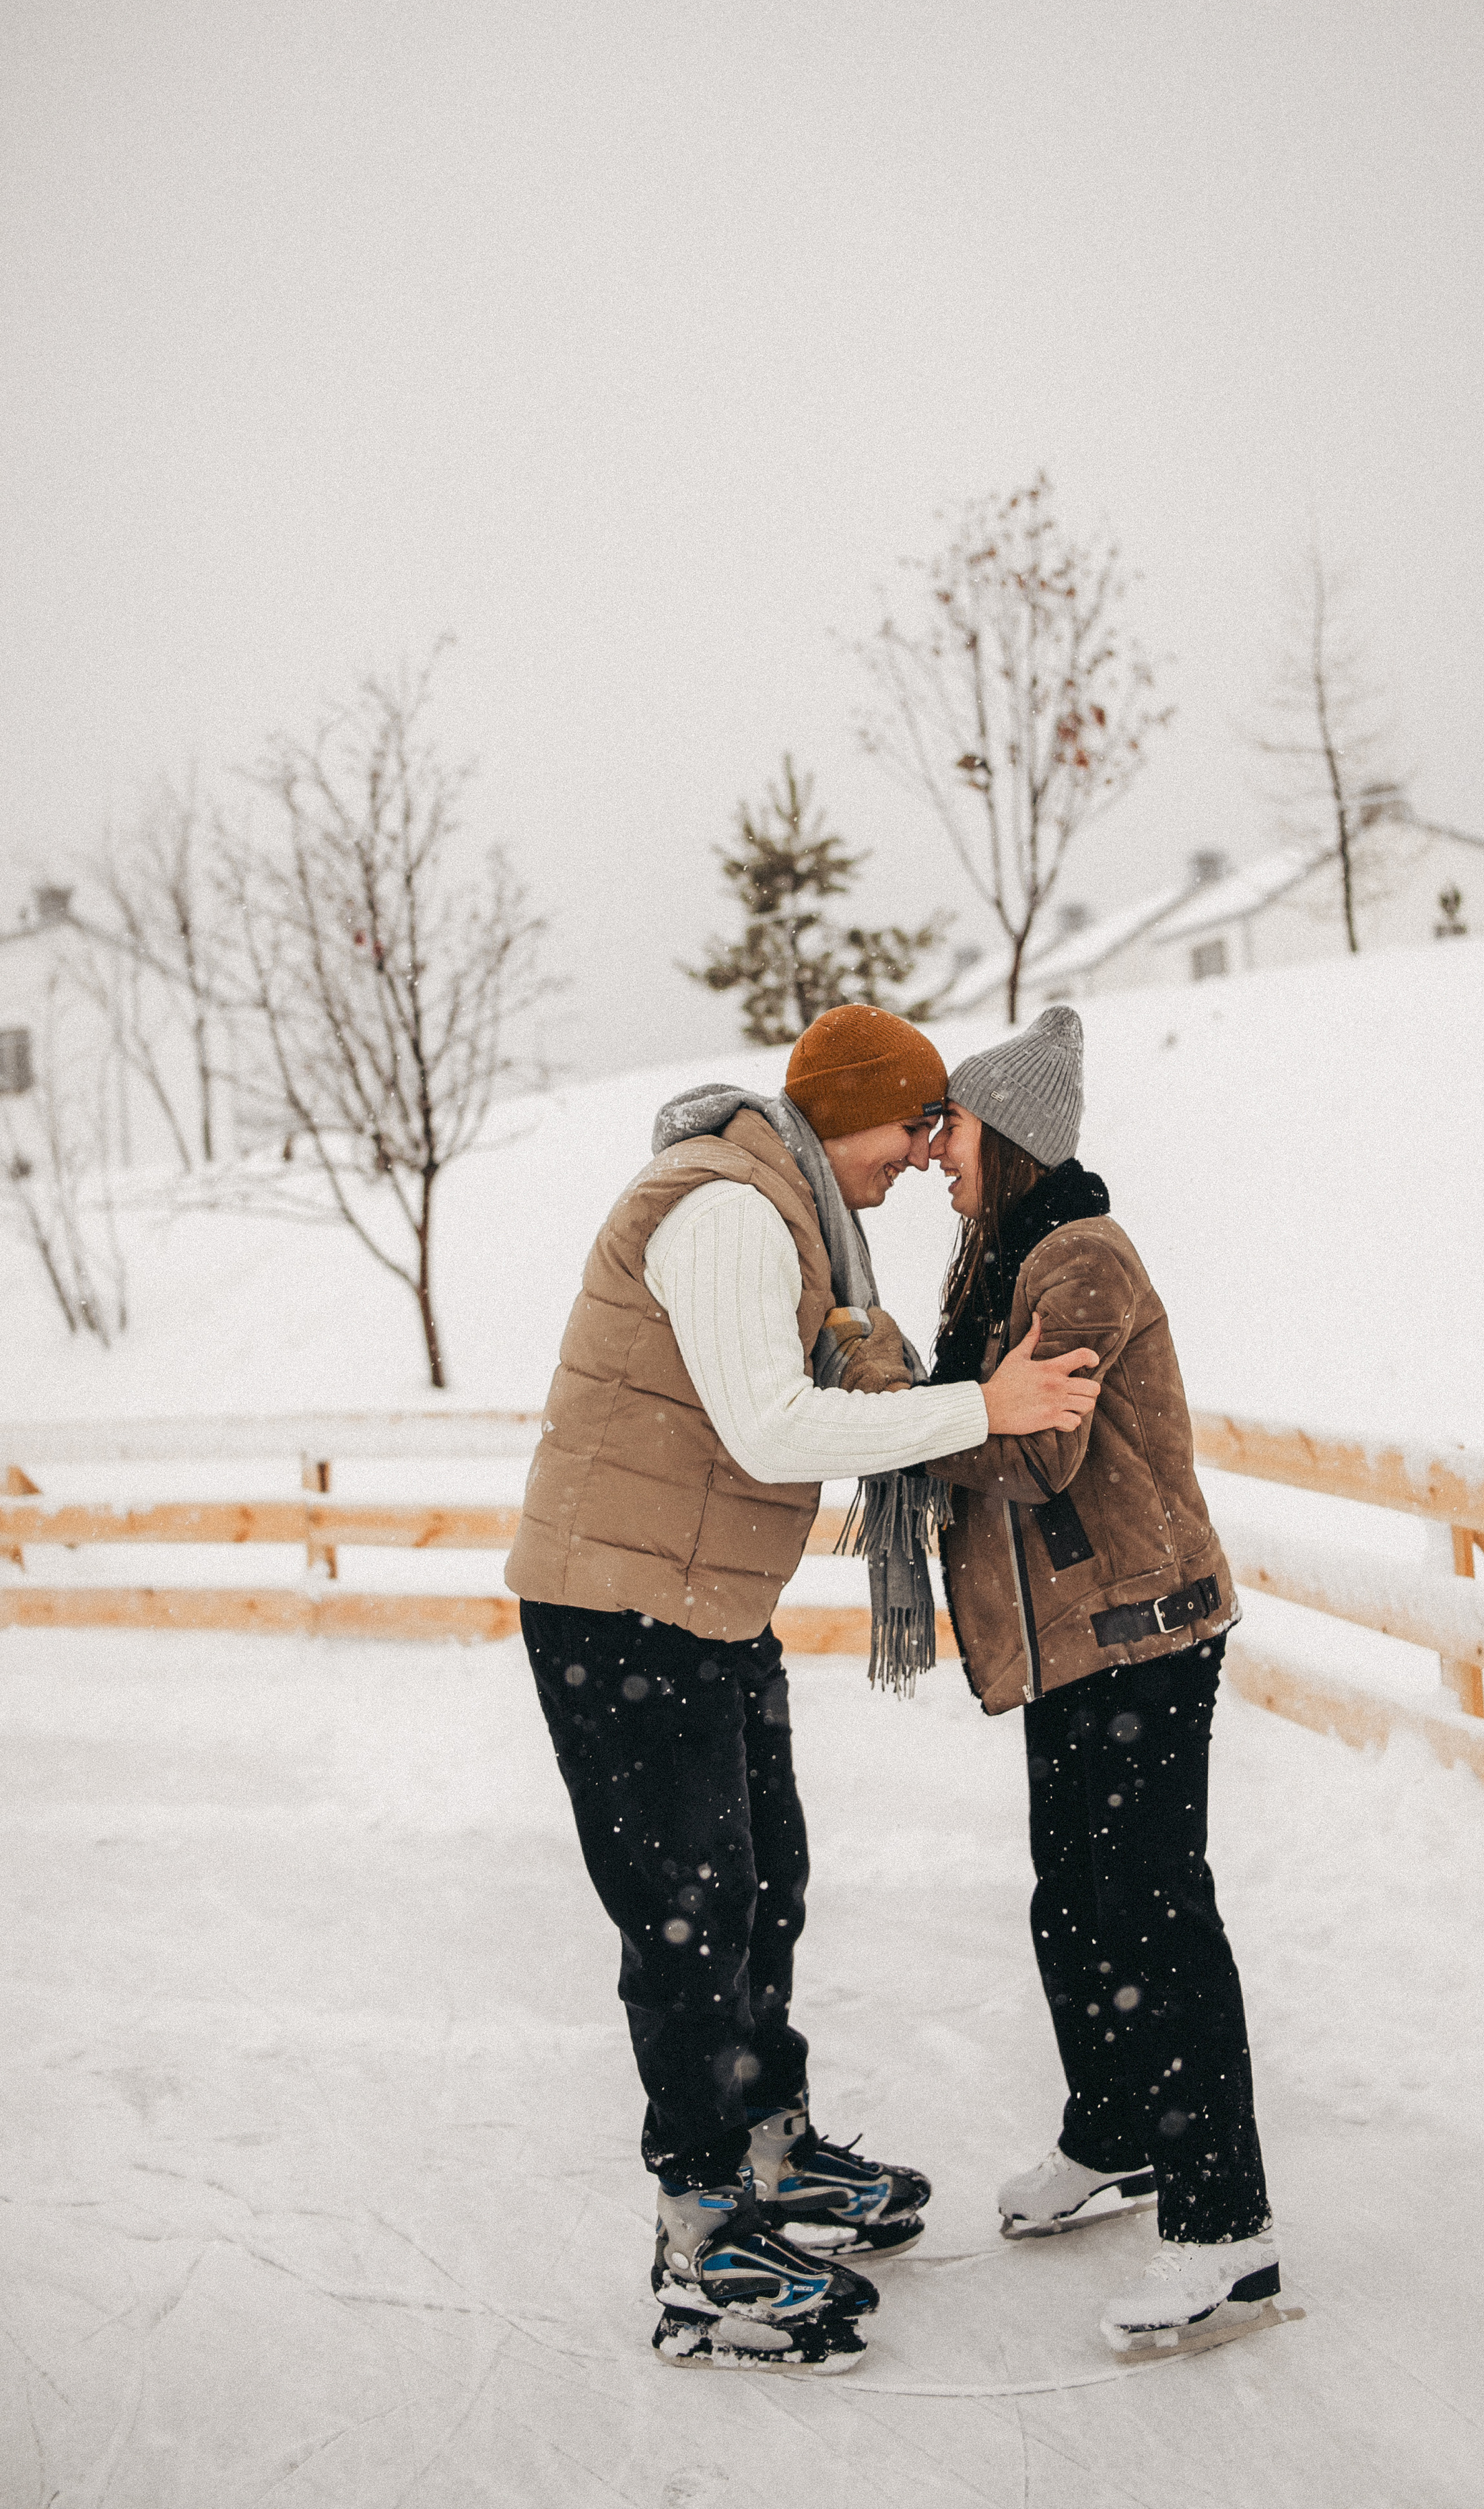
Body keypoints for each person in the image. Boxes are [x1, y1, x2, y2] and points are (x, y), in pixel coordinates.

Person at [504, 1003, 1100, 2373]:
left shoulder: (796, 1217)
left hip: (698, 1603)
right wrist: (981, 1411)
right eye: (913, 1125)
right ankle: (702, 2234)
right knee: (686, 1912)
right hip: (620, 1608)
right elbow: (766, 1422)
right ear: (852, 1116)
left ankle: (765, 2150)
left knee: (762, 1875)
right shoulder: (722, 1210)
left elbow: (818, 1380)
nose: (922, 1153)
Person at [925, 1004, 1281, 2357]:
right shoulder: (1003, 1267)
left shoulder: (1078, 1262)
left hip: (1141, 1629)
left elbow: (1031, 1456)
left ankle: (1224, 2232)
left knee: (1151, 1913)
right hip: (1071, 1643)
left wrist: (911, 1406)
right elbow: (982, 1418)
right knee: (1073, 1896)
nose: (932, 1154)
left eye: (949, 1127)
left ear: (1003, 1136)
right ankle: (1116, 2133)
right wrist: (934, 1394)